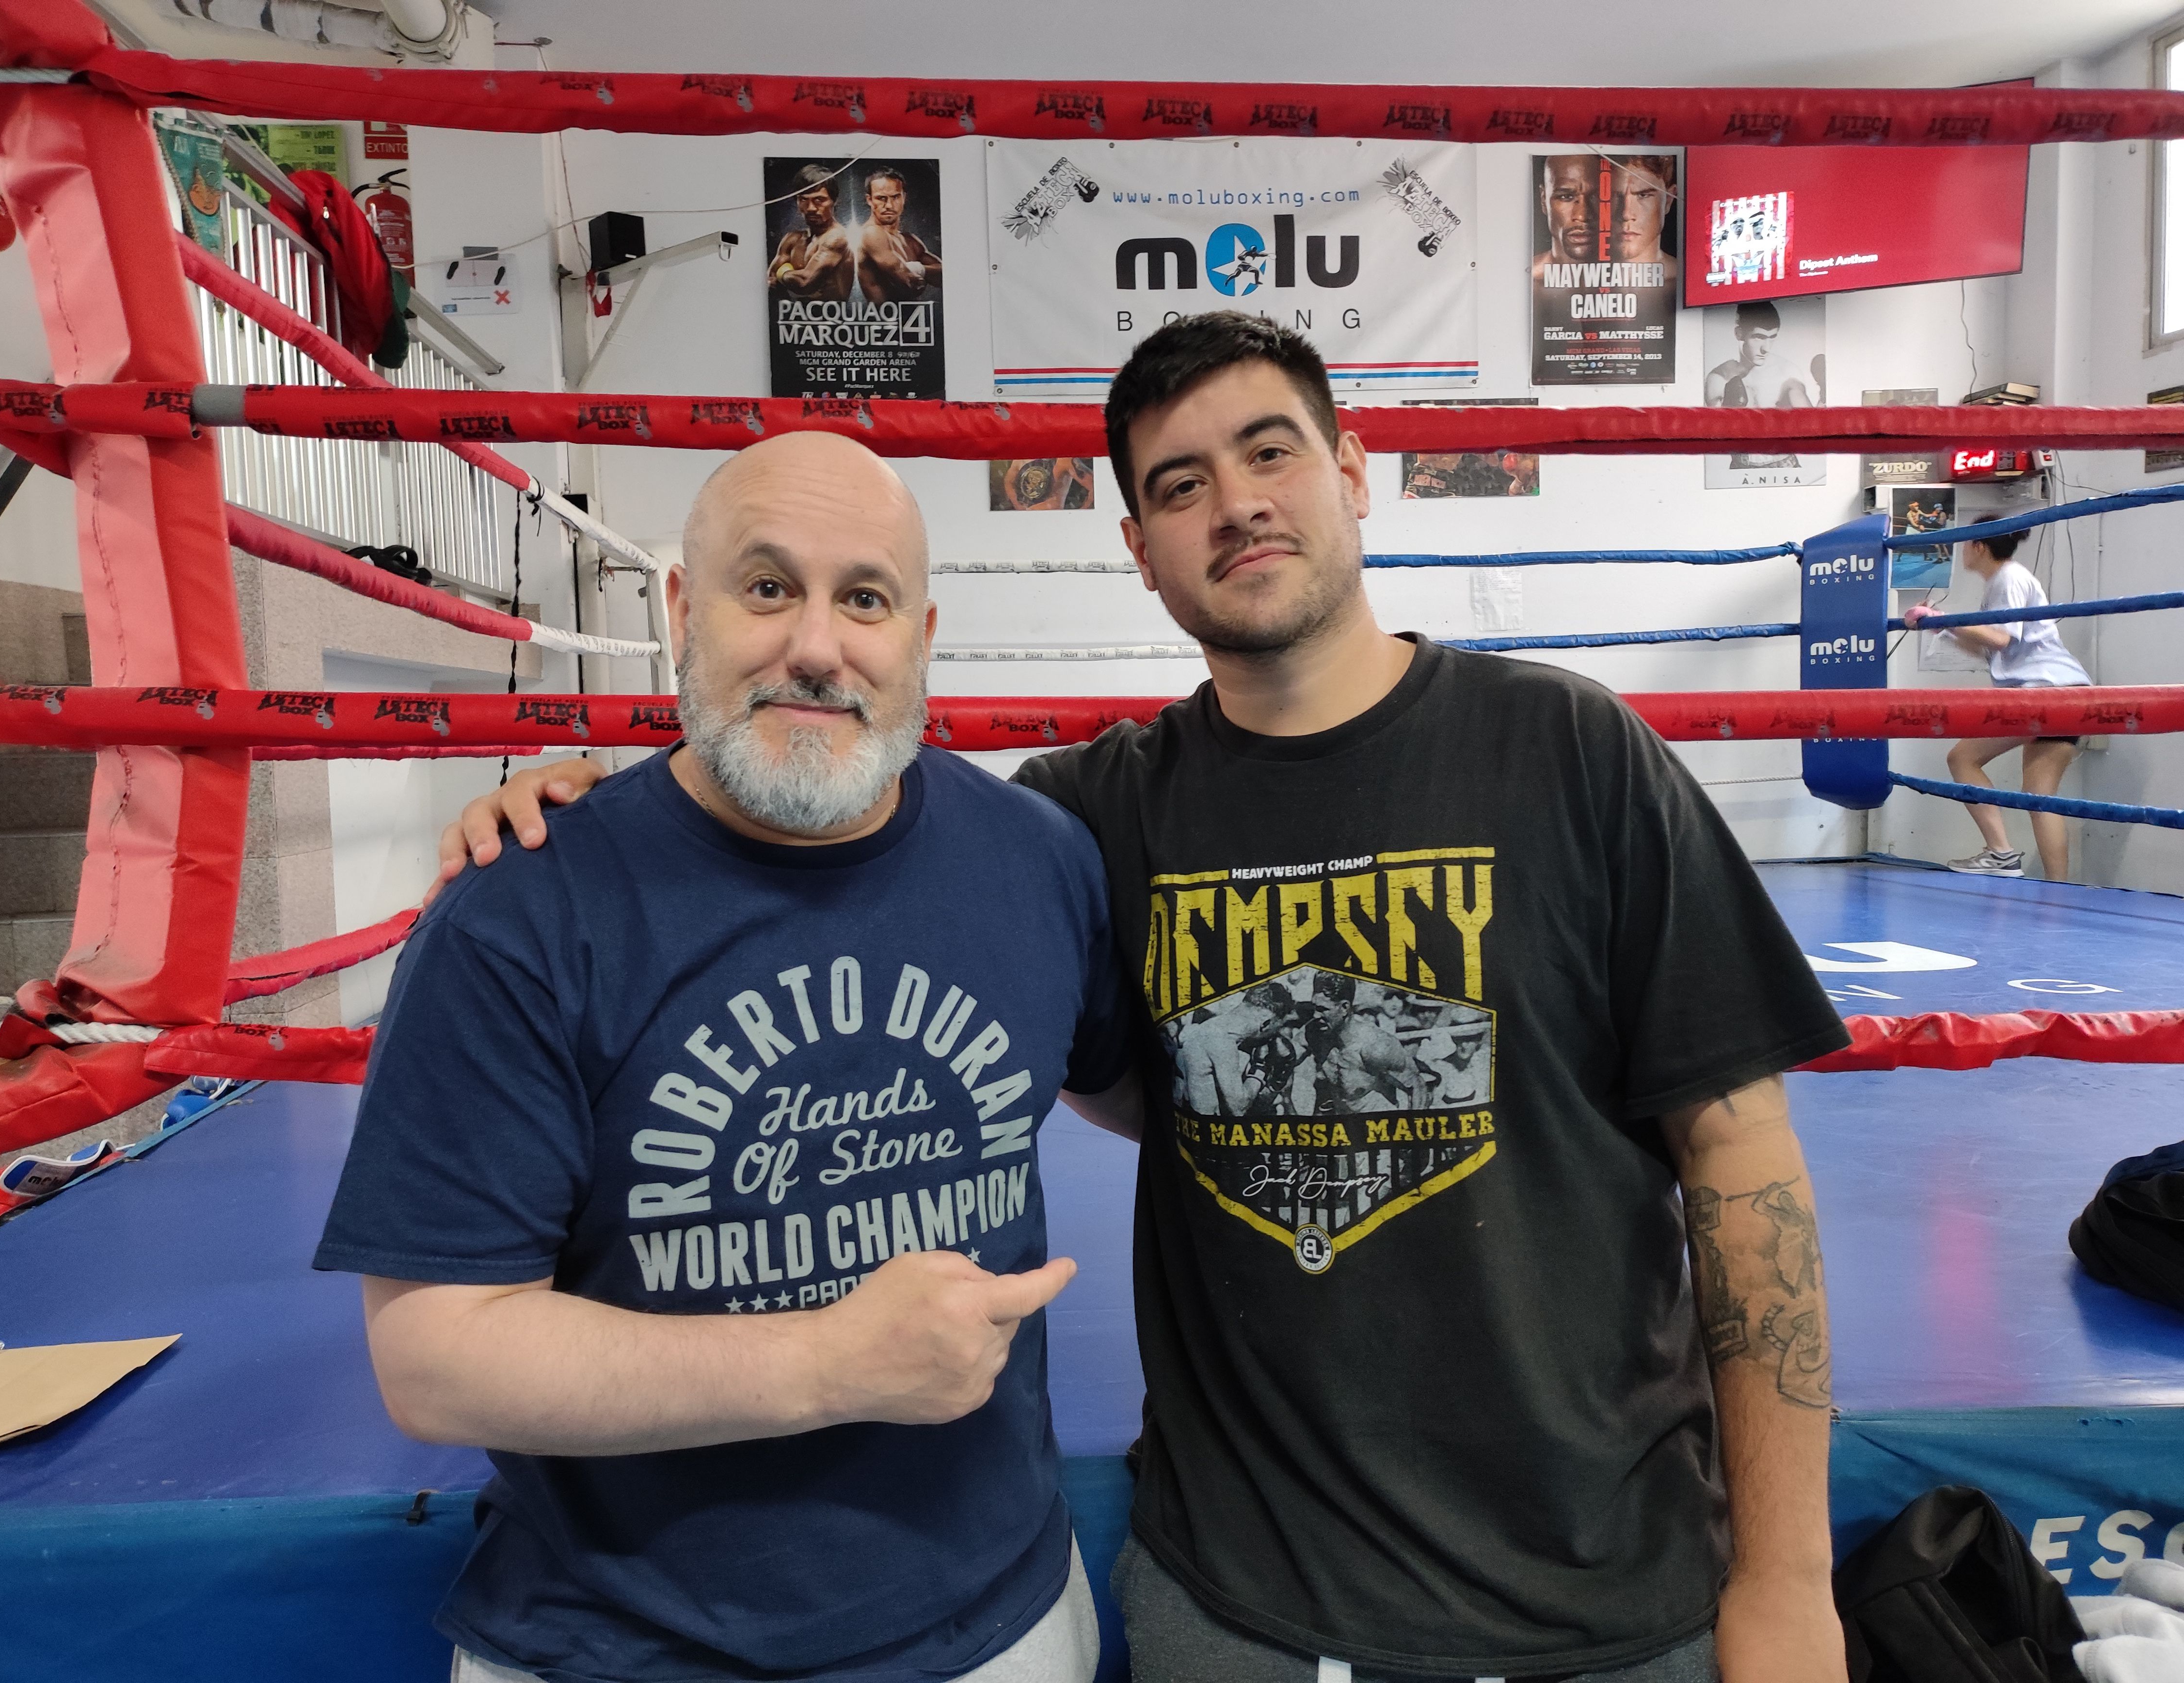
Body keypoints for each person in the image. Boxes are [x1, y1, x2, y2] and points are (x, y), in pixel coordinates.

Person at [440, 313, 1853, 1683]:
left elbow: (1740, 1155)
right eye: (1179, 485)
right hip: (1245, 1602)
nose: (1233, 504)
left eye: (1269, 452)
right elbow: (830, 814)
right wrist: (592, 810)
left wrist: (1786, 1578)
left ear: (1351, 475)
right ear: (1138, 549)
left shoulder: (1573, 753)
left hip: (1612, 1590)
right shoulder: (1081, 823)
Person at [318, 431, 1141, 1683]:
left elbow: (1122, 1083)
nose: (816, 645)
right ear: (681, 611)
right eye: (769, 587)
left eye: (863, 598)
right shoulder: (523, 908)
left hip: (998, 1623)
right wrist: (821, 1363)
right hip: (621, 1649)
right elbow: (434, 1356)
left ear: (922, 638)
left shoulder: (1037, 861)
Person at [1902, 530, 2093, 879]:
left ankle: (2001, 854)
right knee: (2041, 795)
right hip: (2069, 692)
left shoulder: (2009, 577)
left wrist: (1945, 618)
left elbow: (2001, 639)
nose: (1963, 552)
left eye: (1966, 544)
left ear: (1979, 545)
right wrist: (1941, 629)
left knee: (1962, 758)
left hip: (2043, 692)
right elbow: (1987, 648)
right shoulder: (2002, 583)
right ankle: (2060, 889)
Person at [1704, 300, 1814, 410]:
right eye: (1759, 337)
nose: (1766, 349)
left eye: (1772, 338)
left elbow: (1811, 422)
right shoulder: (1719, 379)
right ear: (1739, 334)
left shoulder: (1788, 374)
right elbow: (1718, 423)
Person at [767, 163, 854, 301]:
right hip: (792, 318)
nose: (811, 208)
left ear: (835, 201)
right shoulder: (792, 239)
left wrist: (783, 272)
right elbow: (769, 281)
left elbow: (805, 283)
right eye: (804, 200)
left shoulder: (837, 237)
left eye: (819, 200)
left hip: (833, 320)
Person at [856, 165, 942, 303]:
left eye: (895, 197)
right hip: (885, 323)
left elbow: (948, 277)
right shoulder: (871, 234)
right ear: (870, 200)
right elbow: (911, 285)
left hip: (912, 322)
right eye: (881, 198)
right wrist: (924, 271)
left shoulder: (910, 241)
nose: (889, 205)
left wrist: (918, 269)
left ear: (904, 198)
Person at [1531, 152, 1599, 282]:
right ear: (1543, 199)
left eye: (1597, 197)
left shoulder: (1632, 280)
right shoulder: (1529, 280)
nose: (1581, 215)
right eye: (1566, 197)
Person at [1615, 155, 1678, 287]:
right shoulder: (1576, 281)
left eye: (1643, 195)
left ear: (1668, 201)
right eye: (1614, 196)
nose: (1626, 214)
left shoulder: (1684, 280)